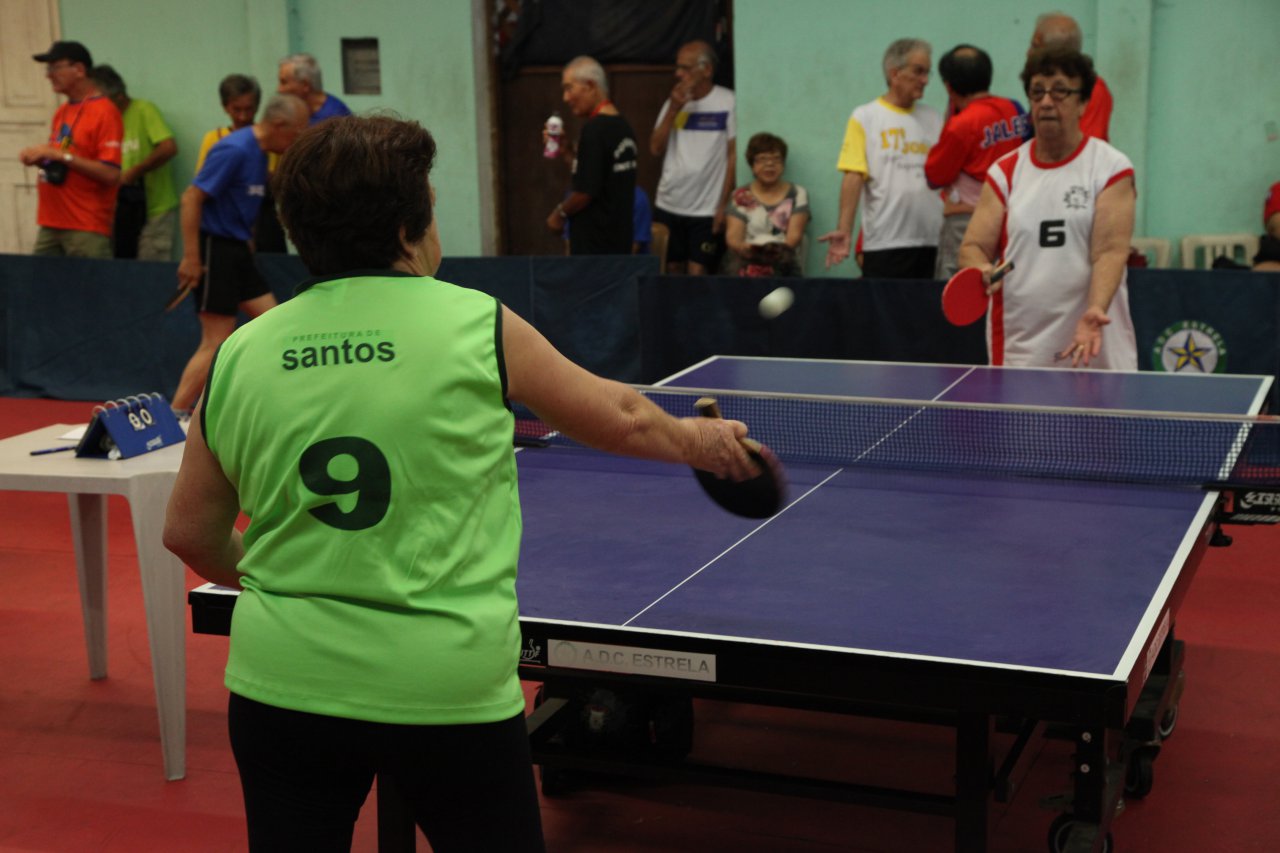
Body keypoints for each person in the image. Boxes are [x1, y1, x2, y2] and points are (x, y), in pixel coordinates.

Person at [161, 114, 755, 851]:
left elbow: (187, 531)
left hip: (282, 684)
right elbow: (624, 417)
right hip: (445, 689)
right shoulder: (476, 324)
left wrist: (286, 585)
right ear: (411, 229)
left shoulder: (241, 353)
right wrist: (703, 441)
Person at [958, 48, 1136, 369]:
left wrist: (1095, 309)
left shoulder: (1110, 168)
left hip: (1092, 340)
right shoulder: (1005, 172)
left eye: (1060, 91)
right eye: (1037, 92)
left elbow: (1109, 251)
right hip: (1021, 345)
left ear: (1083, 103)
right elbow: (973, 246)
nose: (1046, 102)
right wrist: (980, 269)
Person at [170, 94, 310, 412]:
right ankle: (176, 412)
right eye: (297, 133)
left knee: (274, 323)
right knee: (216, 338)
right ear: (278, 125)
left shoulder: (260, 154)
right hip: (214, 250)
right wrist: (192, 258)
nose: (298, 141)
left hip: (238, 253)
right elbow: (192, 198)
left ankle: (266, 401)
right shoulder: (234, 149)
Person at [820, 38, 943, 278]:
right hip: (886, 242)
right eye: (918, 71)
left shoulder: (934, 118)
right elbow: (854, 175)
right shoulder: (865, 117)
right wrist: (845, 230)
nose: (925, 80)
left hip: (932, 241)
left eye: (928, 73)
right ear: (894, 73)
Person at [924, 45, 1030, 279]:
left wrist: (951, 116)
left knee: (957, 289)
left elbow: (934, 177)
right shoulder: (1016, 109)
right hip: (1012, 217)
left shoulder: (961, 124)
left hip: (968, 221)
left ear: (949, 86)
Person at [18, 41, 121, 259]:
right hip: (51, 222)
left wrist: (60, 155)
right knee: (40, 288)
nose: (49, 75)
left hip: (84, 226)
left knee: (89, 291)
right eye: (49, 69)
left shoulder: (105, 112)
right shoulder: (63, 111)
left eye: (55, 67)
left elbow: (111, 174)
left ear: (79, 70)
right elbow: (65, 156)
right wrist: (41, 158)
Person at [649, 40, 736, 275]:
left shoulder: (728, 101)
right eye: (678, 68)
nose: (679, 74)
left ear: (706, 70)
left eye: (686, 68)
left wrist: (723, 204)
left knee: (698, 273)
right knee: (671, 269)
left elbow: (733, 155)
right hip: (669, 202)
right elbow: (655, 148)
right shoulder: (674, 103)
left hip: (706, 209)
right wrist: (674, 109)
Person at [544, 56, 637, 255]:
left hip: (596, 248)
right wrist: (567, 151)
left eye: (569, 88)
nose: (565, 98)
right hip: (619, 243)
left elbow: (586, 191)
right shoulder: (623, 127)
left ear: (590, 86)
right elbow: (593, 175)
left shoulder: (594, 130)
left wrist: (559, 213)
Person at [87, 65, 178, 261]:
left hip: (154, 211)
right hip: (115, 212)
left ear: (119, 96)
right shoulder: (97, 120)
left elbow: (169, 147)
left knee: (150, 275)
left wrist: (135, 172)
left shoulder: (144, 110)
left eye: (100, 99)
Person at [725, 133, 810, 277]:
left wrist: (771, 253)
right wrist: (750, 251)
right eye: (763, 159)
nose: (770, 165)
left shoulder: (797, 193)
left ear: (783, 164)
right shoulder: (740, 195)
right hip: (747, 258)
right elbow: (734, 238)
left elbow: (794, 238)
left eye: (776, 159)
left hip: (783, 259)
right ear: (752, 164)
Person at [1030, 12, 1111, 140]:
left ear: (1056, 52)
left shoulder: (1094, 91)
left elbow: (1085, 150)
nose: (1028, 53)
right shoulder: (1038, 84)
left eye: (1035, 46)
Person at [278, 53, 352, 125]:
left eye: (284, 82)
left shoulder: (336, 118)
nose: (279, 89)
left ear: (305, 85)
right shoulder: (290, 111)